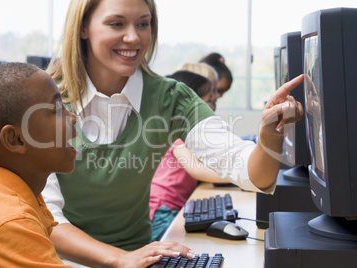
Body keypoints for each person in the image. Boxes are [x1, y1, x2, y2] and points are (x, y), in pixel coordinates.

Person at [41, 0, 304, 267]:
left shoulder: (171, 98)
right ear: (83, 27)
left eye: (143, 24)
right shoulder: (44, 99)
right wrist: (121, 259)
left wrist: (270, 133)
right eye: (117, 23)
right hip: (63, 261)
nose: (133, 37)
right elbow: (47, 219)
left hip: (139, 258)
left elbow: (252, 172)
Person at [0, 62, 77, 267]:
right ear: (15, 140)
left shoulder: (12, 194)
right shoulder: (11, 221)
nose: (73, 117)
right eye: (57, 110)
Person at [150, 70, 230, 241]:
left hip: (174, 207)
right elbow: (196, 169)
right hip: (163, 211)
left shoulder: (187, 132)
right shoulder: (175, 134)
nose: (212, 107)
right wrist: (242, 176)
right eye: (209, 101)